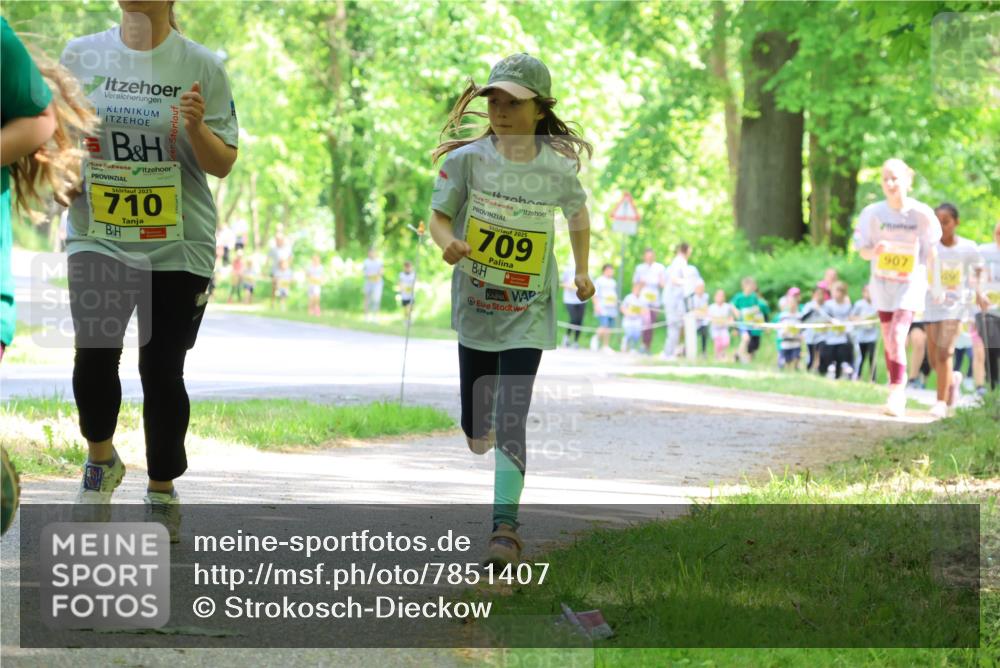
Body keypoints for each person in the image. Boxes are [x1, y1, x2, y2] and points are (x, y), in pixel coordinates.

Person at [60, 0, 239, 540]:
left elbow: (223, 161)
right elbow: (62, 142)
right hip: (98, 234)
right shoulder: (81, 54)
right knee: (94, 353)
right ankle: (100, 462)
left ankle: (162, 489)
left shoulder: (201, 65)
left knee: (160, 370)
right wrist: (61, 177)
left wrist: (193, 126)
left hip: (177, 242)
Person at [429, 53, 593, 566]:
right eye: (494, 101)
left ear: (539, 110)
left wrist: (582, 271)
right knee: (478, 433)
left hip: (529, 311)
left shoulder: (554, 167)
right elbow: (436, 218)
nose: (500, 111)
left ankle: (505, 529)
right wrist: (448, 242)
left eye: (513, 103)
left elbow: (578, 215)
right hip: (478, 309)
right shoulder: (468, 161)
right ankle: (485, 434)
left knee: (512, 417)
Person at [853, 159, 941, 417]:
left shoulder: (921, 214)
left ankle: (897, 393)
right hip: (882, 284)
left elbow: (931, 251)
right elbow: (863, 251)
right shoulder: (872, 213)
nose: (890, 184)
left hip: (911, 283)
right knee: (890, 338)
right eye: (885, 179)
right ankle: (895, 387)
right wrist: (874, 251)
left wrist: (936, 285)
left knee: (897, 334)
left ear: (907, 180)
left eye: (895, 178)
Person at [922, 203, 978, 418]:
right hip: (931, 306)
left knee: (945, 352)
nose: (942, 226)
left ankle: (940, 403)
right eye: (937, 222)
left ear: (956, 222)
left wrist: (979, 293)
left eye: (946, 222)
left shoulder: (968, 248)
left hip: (956, 307)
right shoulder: (929, 247)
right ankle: (952, 381)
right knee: (934, 359)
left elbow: (978, 273)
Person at [632, 248, 665, 354]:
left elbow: (663, 284)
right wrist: (634, 296)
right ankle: (642, 344)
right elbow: (635, 285)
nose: (649, 258)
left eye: (651, 256)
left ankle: (648, 346)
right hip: (643, 299)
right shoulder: (640, 268)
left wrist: (661, 280)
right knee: (646, 321)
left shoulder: (659, 268)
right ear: (644, 257)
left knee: (652, 324)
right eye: (647, 256)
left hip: (655, 299)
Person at [661, 242, 691, 360]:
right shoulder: (680, 262)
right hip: (673, 300)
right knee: (673, 326)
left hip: (676, 300)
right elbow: (673, 279)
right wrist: (688, 282)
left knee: (677, 326)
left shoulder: (678, 262)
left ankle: (671, 351)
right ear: (687, 250)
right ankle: (668, 353)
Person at [820, 281, 854, 379]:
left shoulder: (847, 306)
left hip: (843, 337)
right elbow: (825, 317)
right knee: (829, 357)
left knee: (841, 356)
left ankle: (841, 375)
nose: (837, 293)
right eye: (836, 291)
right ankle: (829, 372)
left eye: (840, 291)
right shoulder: (828, 305)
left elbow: (849, 319)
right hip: (830, 337)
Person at [732, 276, 769, 363]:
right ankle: (737, 355)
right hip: (742, 322)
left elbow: (758, 308)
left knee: (750, 342)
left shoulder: (754, 297)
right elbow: (732, 306)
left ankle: (739, 355)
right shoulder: (739, 297)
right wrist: (736, 311)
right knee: (746, 338)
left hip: (751, 323)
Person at [851, 284, 880, 382]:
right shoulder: (859, 304)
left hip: (872, 336)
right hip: (861, 336)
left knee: (872, 357)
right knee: (861, 357)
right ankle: (857, 376)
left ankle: (873, 378)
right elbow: (851, 317)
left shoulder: (877, 304)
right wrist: (861, 319)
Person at [800, 286, 827, 372]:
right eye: (818, 294)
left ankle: (820, 370)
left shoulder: (825, 306)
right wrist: (812, 310)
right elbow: (802, 319)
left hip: (822, 335)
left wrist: (820, 310)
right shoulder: (809, 305)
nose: (820, 296)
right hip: (810, 335)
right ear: (814, 295)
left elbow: (829, 318)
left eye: (822, 294)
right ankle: (809, 370)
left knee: (821, 352)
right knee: (811, 355)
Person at [776, 287, 803, 371]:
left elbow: (802, 328)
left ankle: (795, 369)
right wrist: (783, 332)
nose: (792, 305)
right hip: (786, 342)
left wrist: (801, 335)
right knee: (786, 360)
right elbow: (779, 329)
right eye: (790, 303)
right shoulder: (783, 316)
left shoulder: (800, 316)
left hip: (796, 342)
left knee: (796, 358)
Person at [592, 263, 617, 352]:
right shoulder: (599, 280)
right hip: (602, 307)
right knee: (604, 325)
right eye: (609, 270)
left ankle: (605, 346)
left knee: (609, 327)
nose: (611, 272)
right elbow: (595, 294)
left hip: (611, 307)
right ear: (605, 271)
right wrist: (596, 305)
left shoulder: (613, 282)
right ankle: (595, 338)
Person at [707, 288, 736, 361]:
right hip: (715, 328)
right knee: (717, 343)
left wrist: (731, 321)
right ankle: (717, 356)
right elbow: (708, 318)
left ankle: (722, 354)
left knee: (726, 342)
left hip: (724, 328)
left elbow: (730, 317)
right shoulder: (712, 307)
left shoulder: (727, 307)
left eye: (722, 296)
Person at [560, 264, 585, 348]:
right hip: (569, 299)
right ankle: (566, 337)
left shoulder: (585, 270)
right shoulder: (568, 269)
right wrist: (570, 286)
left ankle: (576, 341)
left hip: (581, 299)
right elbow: (562, 283)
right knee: (574, 319)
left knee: (579, 321)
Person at [267, 227, 293, 308]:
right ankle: (273, 302)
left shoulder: (287, 248)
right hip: (275, 270)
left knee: (284, 286)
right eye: (277, 240)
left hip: (285, 270)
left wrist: (286, 265)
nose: (278, 241)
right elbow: (268, 258)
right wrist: (265, 268)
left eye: (280, 239)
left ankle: (282, 303)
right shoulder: (273, 249)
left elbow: (291, 258)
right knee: (274, 286)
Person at [620, 281, 646, 354]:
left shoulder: (642, 299)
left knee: (636, 335)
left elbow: (645, 310)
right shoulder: (629, 298)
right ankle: (625, 347)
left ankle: (633, 348)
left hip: (637, 320)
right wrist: (627, 313)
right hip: (628, 320)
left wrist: (641, 312)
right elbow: (622, 307)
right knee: (628, 334)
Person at [689, 280, 710, 358]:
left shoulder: (706, 296)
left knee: (704, 332)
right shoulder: (691, 298)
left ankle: (703, 352)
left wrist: (702, 313)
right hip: (693, 321)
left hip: (703, 321)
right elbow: (691, 310)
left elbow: (706, 309)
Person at [362, 247, 384, 322]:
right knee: (367, 299)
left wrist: (376, 276)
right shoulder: (366, 261)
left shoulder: (379, 261)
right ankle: (366, 317)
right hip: (368, 282)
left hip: (377, 283)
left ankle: (375, 317)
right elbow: (364, 271)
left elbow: (381, 271)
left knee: (376, 300)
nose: (371, 254)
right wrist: (369, 275)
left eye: (373, 252)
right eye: (370, 252)